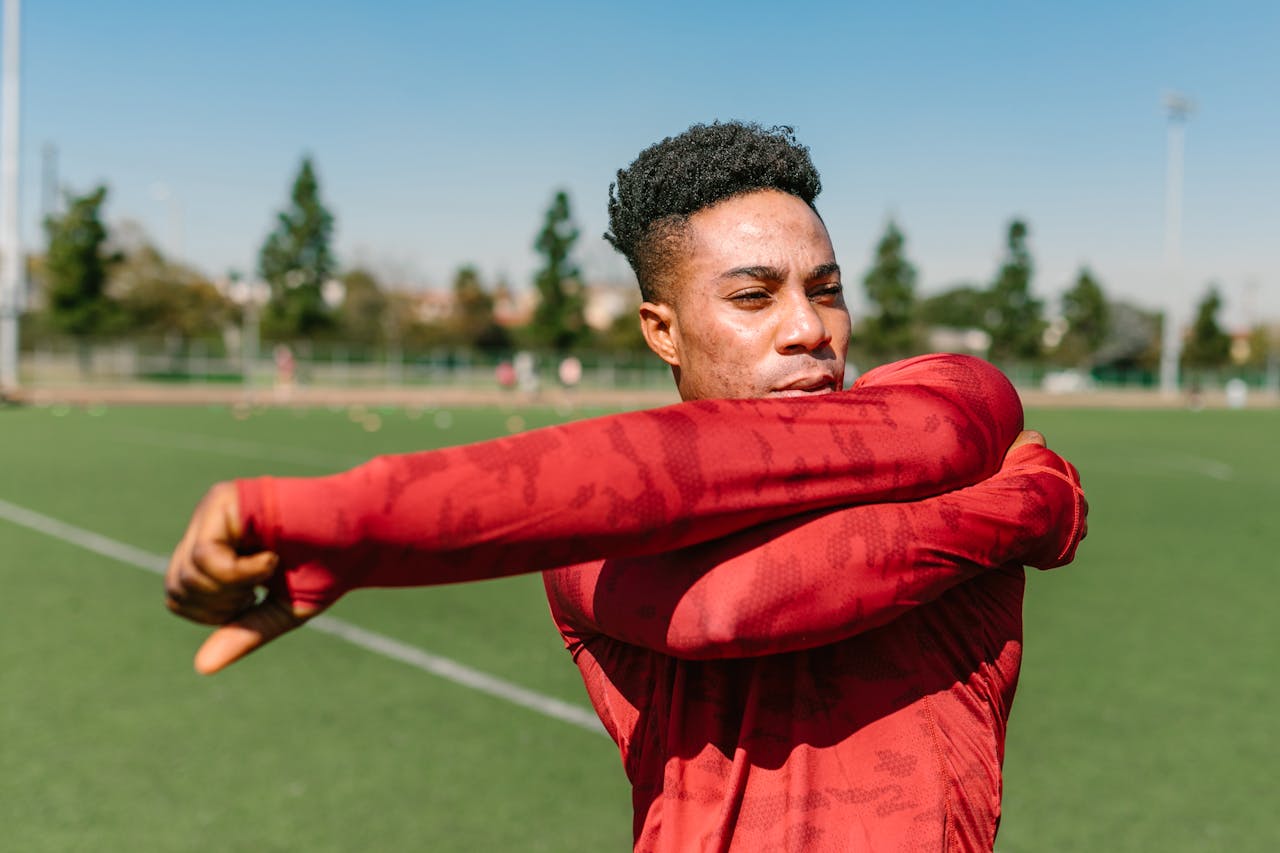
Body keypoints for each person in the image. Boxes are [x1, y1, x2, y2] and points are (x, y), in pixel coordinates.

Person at [166, 122, 1087, 851]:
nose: (809, 329)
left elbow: (926, 438)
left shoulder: (955, 396)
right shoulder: (589, 530)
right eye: (754, 296)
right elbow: (741, 601)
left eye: (828, 288)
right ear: (662, 328)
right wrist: (1026, 508)